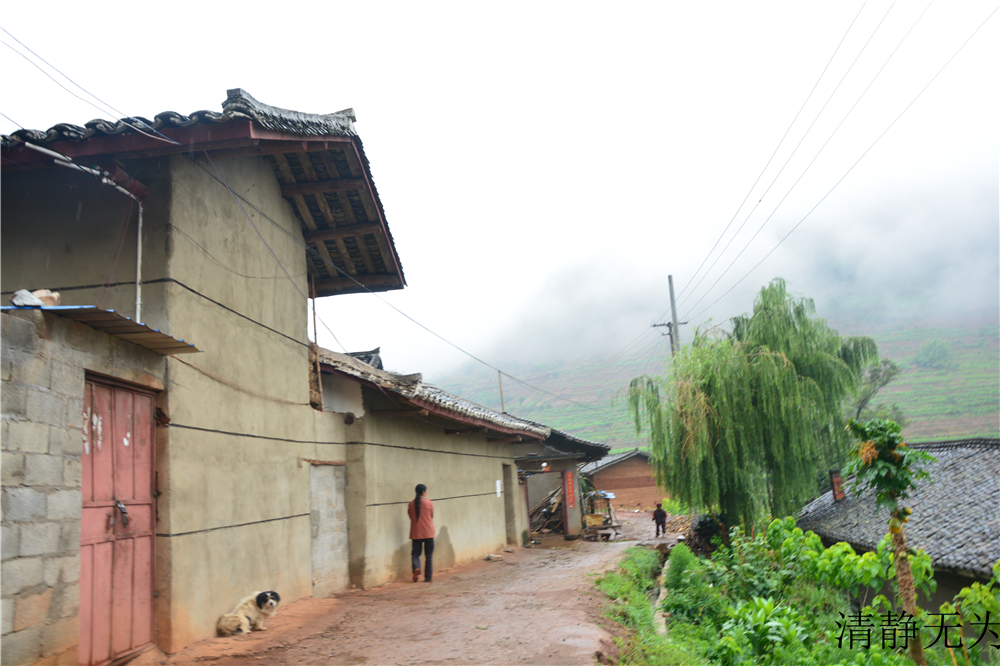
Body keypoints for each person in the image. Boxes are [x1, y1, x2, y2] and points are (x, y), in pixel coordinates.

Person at [407, 483, 435, 583]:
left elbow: (411, 516)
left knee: (415, 554)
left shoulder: (411, 504)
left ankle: (416, 567)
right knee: (428, 556)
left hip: (416, 533)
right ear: (424, 492)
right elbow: (431, 516)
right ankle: (428, 578)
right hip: (428, 532)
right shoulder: (429, 503)